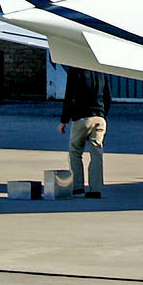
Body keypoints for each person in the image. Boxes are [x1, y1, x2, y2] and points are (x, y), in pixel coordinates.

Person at [59, 66, 110, 198]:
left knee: (75, 151)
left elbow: (70, 96)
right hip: (99, 117)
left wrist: (64, 120)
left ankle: (77, 186)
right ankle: (95, 189)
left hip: (82, 117)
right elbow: (107, 97)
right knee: (96, 152)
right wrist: (103, 114)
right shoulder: (101, 71)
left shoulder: (75, 71)